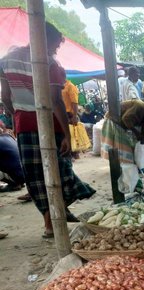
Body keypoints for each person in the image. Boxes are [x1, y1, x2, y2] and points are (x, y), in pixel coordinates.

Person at [0, 22, 95, 238]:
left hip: (24, 125)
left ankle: (50, 222)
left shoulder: (7, 60)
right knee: (60, 171)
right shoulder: (50, 64)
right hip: (50, 125)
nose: (56, 49)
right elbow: (55, 101)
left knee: (36, 177)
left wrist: (16, 117)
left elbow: (6, 97)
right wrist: (67, 137)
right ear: (45, 39)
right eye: (55, 44)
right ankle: (59, 212)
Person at [0, 123, 25, 192]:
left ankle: (15, 183)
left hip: (17, 175)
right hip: (25, 174)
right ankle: (18, 182)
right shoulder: (8, 137)